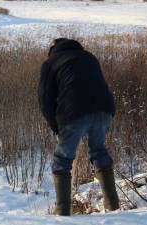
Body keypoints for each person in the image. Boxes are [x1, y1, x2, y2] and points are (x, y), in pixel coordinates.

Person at [38, 38, 120, 216]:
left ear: (53, 50)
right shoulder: (89, 57)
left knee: (62, 160)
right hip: (104, 109)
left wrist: (56, 127)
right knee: (99, 152)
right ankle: (114, 207)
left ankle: (62, 212)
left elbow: (45, 101)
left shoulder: (50, 63)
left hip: (74, 112)